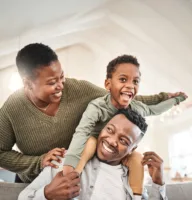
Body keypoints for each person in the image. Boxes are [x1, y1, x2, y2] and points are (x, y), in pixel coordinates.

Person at [0, 43, 181, 183]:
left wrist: (164, 97)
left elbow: (120, 97)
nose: (61, 85)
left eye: (62, 77)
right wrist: (38, 162)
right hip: (33, 182)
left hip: (76, 179)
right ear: (28, 83)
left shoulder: (80, 90)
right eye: (52, 82)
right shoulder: (11, 110)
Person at [63, 55, 186, 196]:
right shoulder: (97, 107)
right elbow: (82, 132)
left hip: (117, 153)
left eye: (135, 81)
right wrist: (69, 165)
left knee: (137, 158)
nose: (130, 86)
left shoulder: (136, 107)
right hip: (96, 143)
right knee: (90, 142)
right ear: (108, 84)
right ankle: (71, 181)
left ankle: (136, 196)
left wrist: (176, 99)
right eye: (123, 79)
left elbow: (155, 109)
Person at [19, 109, 168, 200]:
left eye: (123, 140)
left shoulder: (133, 179)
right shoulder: (67, 162)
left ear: (132, 150)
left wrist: (159, 182)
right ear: (102, 129)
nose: (112, 141)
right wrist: (47, 194)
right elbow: (23, 198)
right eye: (110, 130)